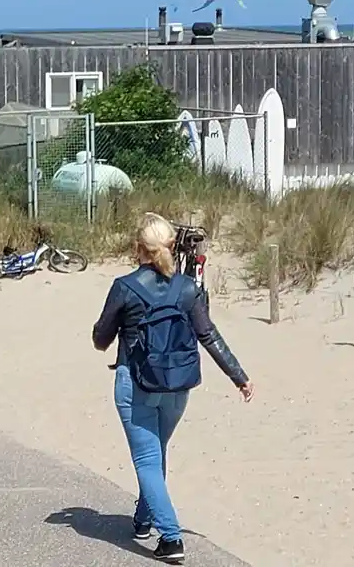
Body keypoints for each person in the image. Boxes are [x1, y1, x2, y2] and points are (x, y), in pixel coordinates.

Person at [92, 213, 254, 564]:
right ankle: (144, 519)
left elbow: (100, 340)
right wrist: (239, 376)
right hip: (178, 385)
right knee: (157, 452)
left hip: (135, 383)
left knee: (148, 460)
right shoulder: (187, 288)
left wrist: (113, 327)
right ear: (170, 247)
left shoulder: (124, 286)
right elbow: (209, 336)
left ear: (138, 249)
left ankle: (170, 537)